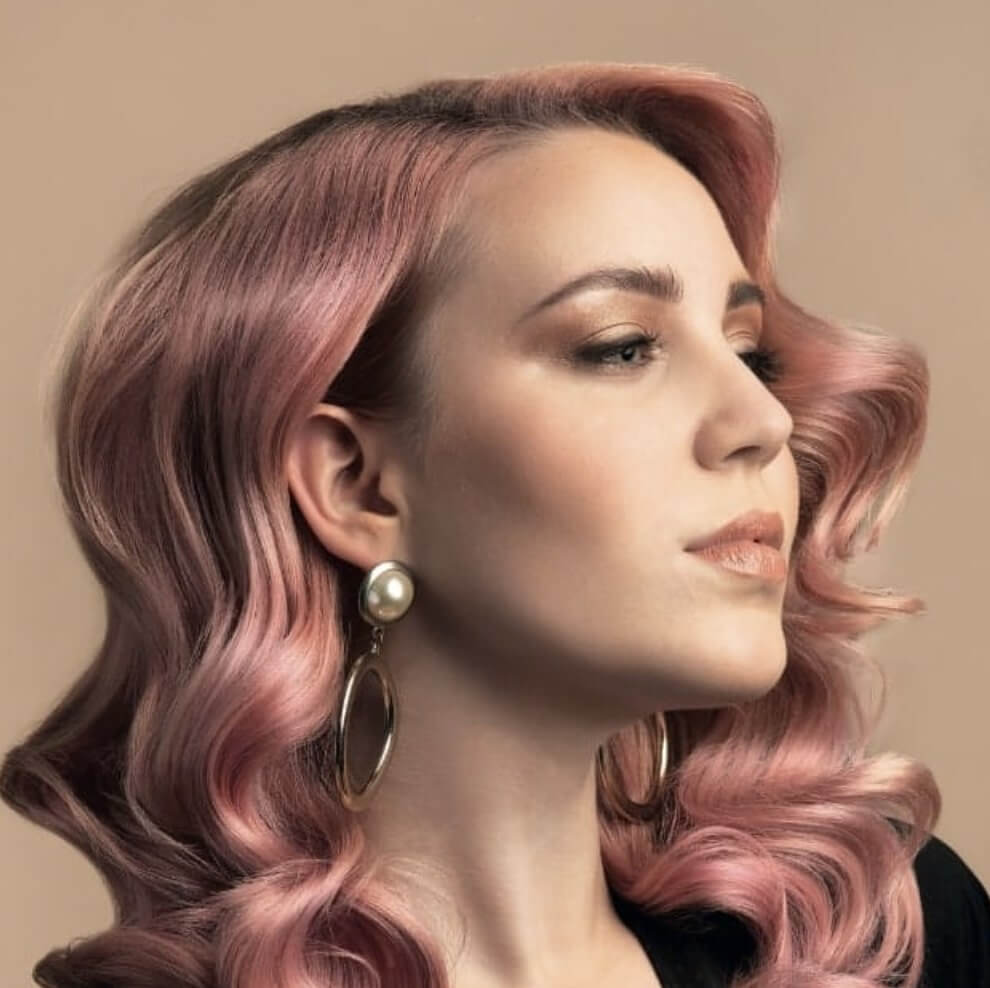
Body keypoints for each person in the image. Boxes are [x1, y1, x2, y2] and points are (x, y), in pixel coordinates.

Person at [3, 61, 987, 988]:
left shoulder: (881, 936)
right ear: (355, 486)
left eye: (748, 351)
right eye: (622, 346)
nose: (765, 421)